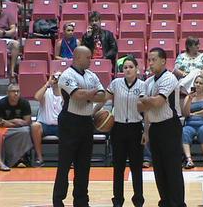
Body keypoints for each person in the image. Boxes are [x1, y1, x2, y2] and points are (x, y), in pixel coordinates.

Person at [53, 46, 105, 207]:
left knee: (84, 164)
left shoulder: (91, 75)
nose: (91, 60)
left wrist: (87, 94)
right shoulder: (66, 76)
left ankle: (81, 200)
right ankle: (58, 199)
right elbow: (76, 95)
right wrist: (91, 93)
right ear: (77, 58)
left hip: (86, 122)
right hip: (69, 121)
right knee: (65, 162)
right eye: (88, 57)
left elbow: (103, 95)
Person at [137, 48, 186, 207]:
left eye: (154, 60)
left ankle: (177, 203)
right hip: (154, 127)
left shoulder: (170, 78)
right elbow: (141, 107)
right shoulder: (148, 82)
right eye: (149, 60)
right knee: (159, 169)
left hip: (170, 126)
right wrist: (145, 130)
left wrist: (146, 99)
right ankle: (164, 202)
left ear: (164, 61)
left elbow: (157, 103)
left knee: (172, 169)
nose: (150, 63)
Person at [95, 55, 146, 207]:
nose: (128, 70)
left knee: (137, 167)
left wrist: (147, 131)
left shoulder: (143, 85)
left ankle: (138, 200)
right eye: (125, 67)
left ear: (137, 69)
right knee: (118, 167)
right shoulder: (116, 83)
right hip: (118, 128)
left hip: (136, 128)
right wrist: (93, 112)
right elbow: (104, 100)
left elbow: (146, 109)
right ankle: (117, 201)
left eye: (131, 67)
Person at [0, 84, 33, 167]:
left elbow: (27, 122)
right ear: (7, 93)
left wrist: (8, 123)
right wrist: (14, 121)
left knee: (26, 131)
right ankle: (9, 160)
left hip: (19, 129)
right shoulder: (1, 103)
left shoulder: (24, 103)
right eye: (13, 91)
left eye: (18, 91)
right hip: (6, 129)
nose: (16, 93)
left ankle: (21, 158)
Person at [182, 75, 203, 169]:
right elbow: (185, 113)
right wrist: (189, 99)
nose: (198, 85)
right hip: (190, 124)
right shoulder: (188, 97)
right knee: (184, 131)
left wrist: (194, 113)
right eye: (196, 82)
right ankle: (189, 160)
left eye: (200, 83)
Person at [31, 72, 62, 167]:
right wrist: (48, 84)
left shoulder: (66, 94)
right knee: (35, 126)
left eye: (59, 77)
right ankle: (39, 158)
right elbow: (36, 97)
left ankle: (66, 159)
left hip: (60, 126)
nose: (56, 79)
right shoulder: (46, 92)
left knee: (71, 127)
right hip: (44, 125)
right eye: (55, 77)